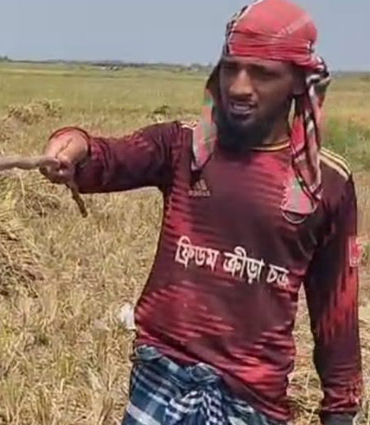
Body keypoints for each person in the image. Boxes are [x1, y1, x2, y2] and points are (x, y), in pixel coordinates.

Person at [40, 1, 362, 424]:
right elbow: (107, 158)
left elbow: (335, 313)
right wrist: (72, 143)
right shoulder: (183, 149)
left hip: (250, 401)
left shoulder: (326, 183)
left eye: (263, 73)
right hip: (160, 380)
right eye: (231, 68)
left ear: (300, 83)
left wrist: (340, 410)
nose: (240, 87)